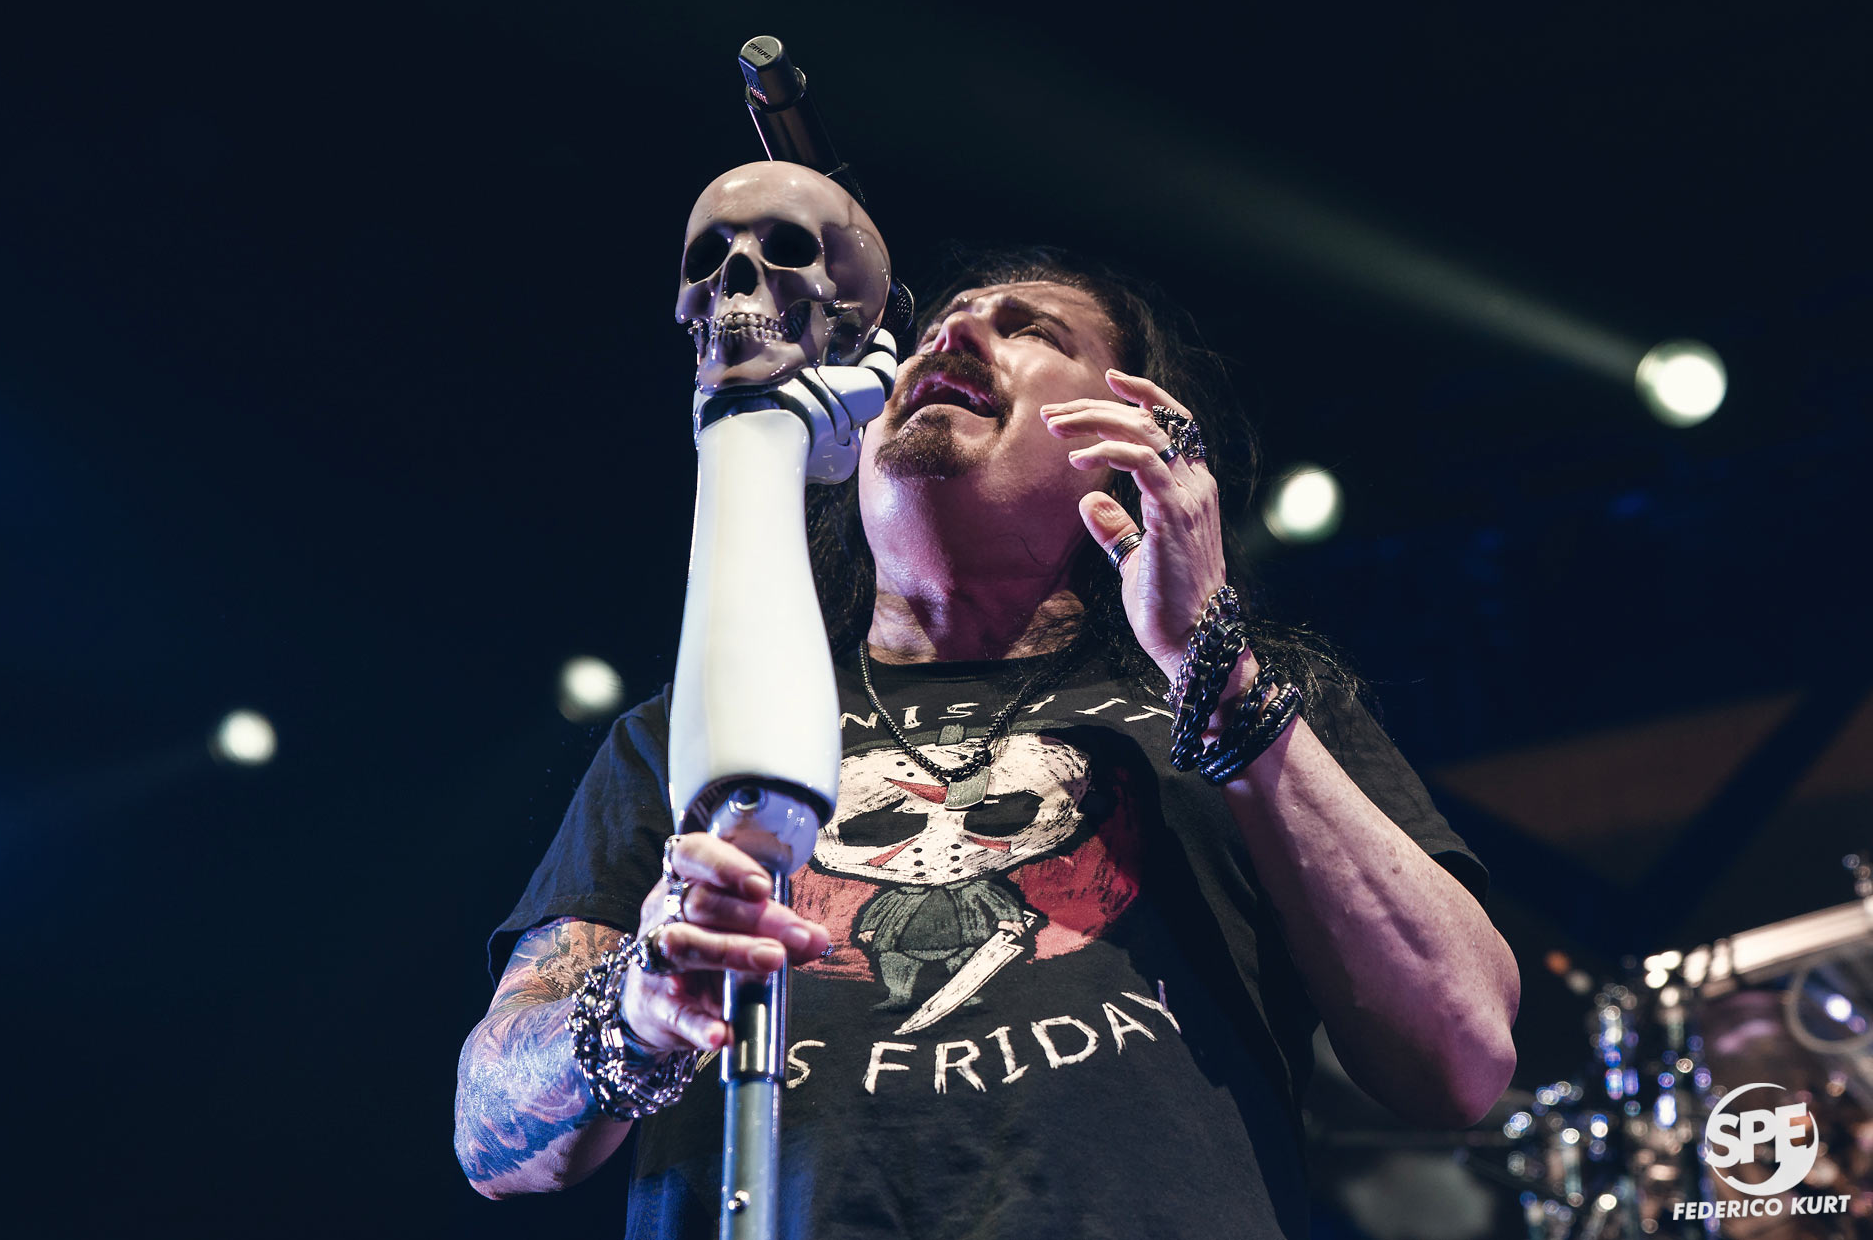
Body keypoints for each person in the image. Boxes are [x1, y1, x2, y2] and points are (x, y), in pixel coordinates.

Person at [453, 247, 1520, 1239]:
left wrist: (1214, 669)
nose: (952, 337)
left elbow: (1461, 1054)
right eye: (934, 331)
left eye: (1030, 330)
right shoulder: (696, 730)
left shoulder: (1252, 702)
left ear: (1134, 436)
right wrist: (633, 1010)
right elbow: (489, 1136)